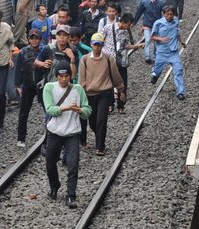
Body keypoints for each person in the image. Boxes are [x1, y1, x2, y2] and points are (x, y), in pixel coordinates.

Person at [43, 64, 91, 209]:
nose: (63, 79)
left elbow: (88, 110)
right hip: (55, 132)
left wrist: (80, 110)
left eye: (66, 76)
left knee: (73, 165)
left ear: (71, 76)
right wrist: (67, 108)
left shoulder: (78, 89)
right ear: (56, 76)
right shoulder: (49, 88)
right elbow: (50, 109)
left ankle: (71, 195)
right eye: (61, 76)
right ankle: (54, 186)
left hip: (72, 133)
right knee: (50, 163)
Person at [77, 33, 124, 156]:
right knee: (92, 121)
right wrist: (80, 96)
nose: (97, 47)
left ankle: (100, 146)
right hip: (89, 95)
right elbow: (81, 80)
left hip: (104, 93)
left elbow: (115, 75)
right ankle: (99, 136)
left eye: (99, 45)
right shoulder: (85, 59)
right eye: (95, 45)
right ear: (91, 44)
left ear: (102, 45)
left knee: (101, 120)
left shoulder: (109, 59)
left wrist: (121, 90)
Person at [102, 12, 142, 113]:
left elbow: (126, 46)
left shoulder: (125, 32)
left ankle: (121, 104)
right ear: (123, 22)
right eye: (128, 24)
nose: (129, 27)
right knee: (108, 82)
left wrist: (136, 46)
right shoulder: (108, 28)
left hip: (120, 59)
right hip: (108, 59)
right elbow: (101, 40)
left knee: (122, 81)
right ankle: (110, 104)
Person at [150, 6, 188, 100]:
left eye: (171, 14)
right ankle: (155, 75)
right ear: (164, 14)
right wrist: (161, 39)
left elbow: (176, 32)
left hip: (173, 52)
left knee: (178, 71)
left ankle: (181, 92)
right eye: (168, 14)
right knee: (157, 70)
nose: (170, 16)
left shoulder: (176, 22)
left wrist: (181, 41)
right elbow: (153, 37)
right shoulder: (158, 23)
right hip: (162, 52)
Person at [14, 29, 44, 146]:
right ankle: (21, 137)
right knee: (23, 112)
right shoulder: (23, 52)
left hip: (42, 85)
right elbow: (18, 70)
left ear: (40, 39)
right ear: (28, 39)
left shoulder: (44, 51)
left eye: (36, 38)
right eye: (32, 38)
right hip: (27, 85)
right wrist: (18, 85)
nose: (34, 40)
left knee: (47, 110)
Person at [133, 0, 165, 64]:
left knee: (155, 42)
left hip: (157, 26)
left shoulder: (161, 2)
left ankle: (154, 57)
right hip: (147, 25)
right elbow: (139, 13)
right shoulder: (144, 2)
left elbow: (165, 13)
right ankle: (147, 57)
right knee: (147, 40)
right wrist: (134, 23)